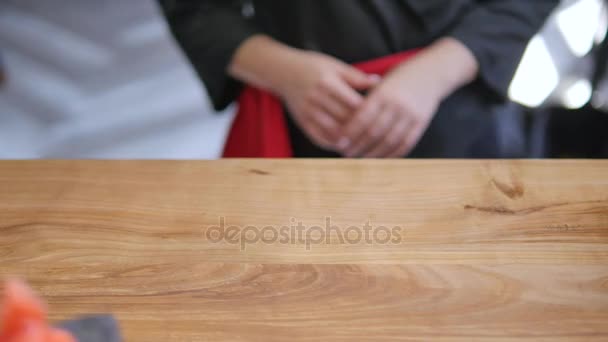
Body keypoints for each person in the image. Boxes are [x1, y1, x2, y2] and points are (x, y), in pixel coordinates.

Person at [160, 0, 558, 158]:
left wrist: (438, 72)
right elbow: (194, 7)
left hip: (459, 118)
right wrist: (281, 69)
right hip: (300, 122)